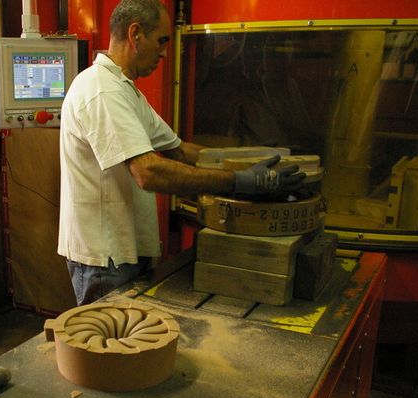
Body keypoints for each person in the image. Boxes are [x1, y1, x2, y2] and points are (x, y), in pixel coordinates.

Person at [58, 0, 305, 305]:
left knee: (130, 342)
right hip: (105, 258)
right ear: (135, 34)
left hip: (125, 251)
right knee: (108, 347)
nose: (165, 52)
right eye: (161, 40)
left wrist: (254, 164)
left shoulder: (125, 90)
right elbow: (148, 172)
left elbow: (181, 151)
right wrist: (240, 182)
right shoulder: (101, 91)